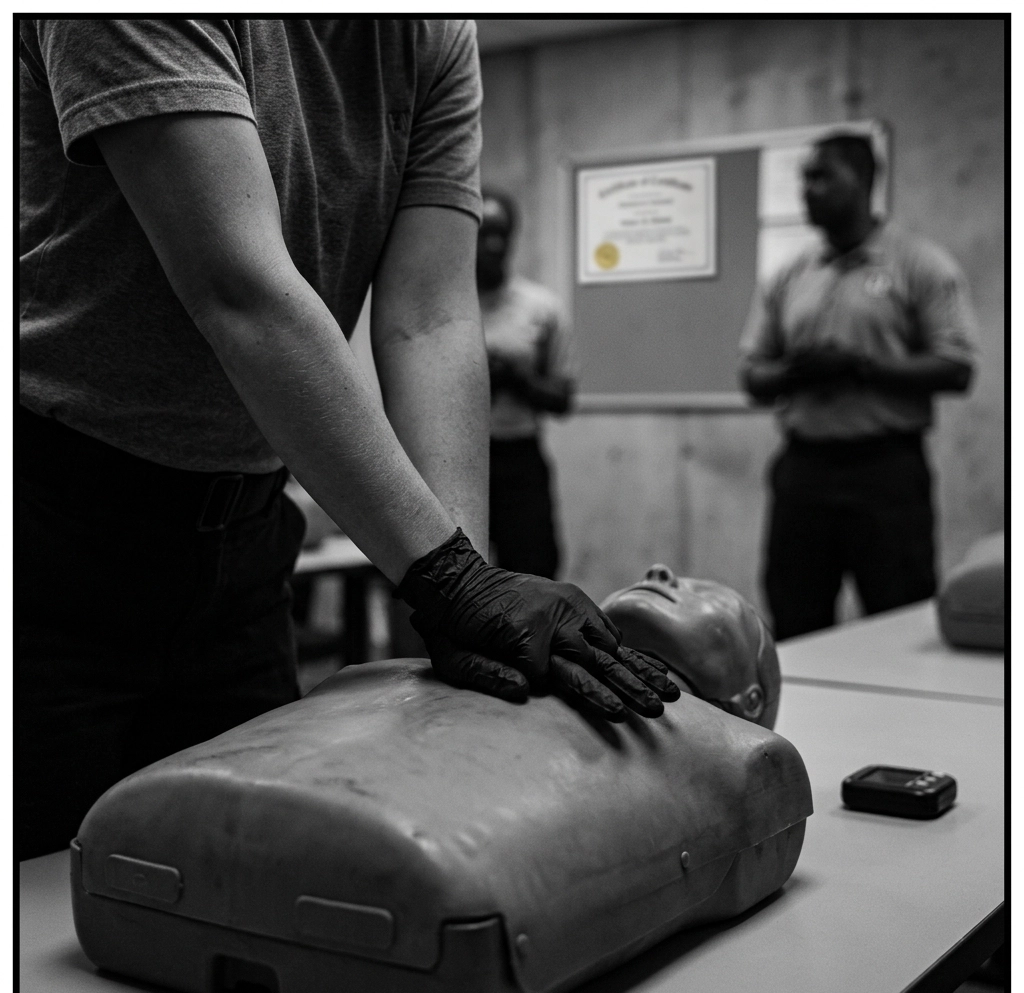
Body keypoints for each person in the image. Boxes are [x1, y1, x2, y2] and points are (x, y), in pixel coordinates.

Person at [18, 19, 676, 860]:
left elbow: (431, 318)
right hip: (48, 529)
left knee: (238, 880)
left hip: (243, 542)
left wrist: (464, 588)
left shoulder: (431, 32)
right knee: (38, 910)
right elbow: (238, 287)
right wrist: (449, 581)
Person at [739, 133, 976, 641]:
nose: (808, 189)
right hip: (804, 469)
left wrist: (860, 367)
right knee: (795, 619)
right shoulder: (789, 273)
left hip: (885, 471)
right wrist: (796, 373)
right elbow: (753, 376)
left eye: (823, 176)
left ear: (865, 181)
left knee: (898, 618)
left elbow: (956, 368)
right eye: (805, 177)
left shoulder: (919, 264)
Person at [477, 190, 577, 578]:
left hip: (519, 456)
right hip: (460, 457)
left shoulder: (540, 307)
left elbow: (563, 397)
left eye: (503, 233)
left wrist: (517, 379)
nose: (494, 244)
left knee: (534, 572)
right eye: (485, 233)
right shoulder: (443, 309)